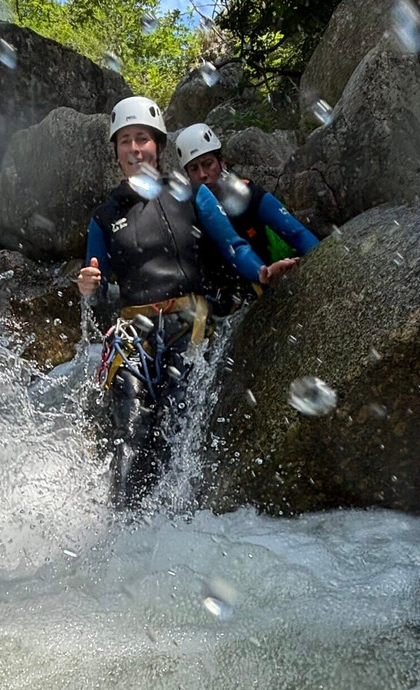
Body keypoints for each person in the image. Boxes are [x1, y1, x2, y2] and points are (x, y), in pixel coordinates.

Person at [77, 96, 295, 509]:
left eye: (142, 138)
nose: (134, 148)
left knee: (179, 411)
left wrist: (260, 272)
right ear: (116, 151)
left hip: (189, 319)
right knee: (131, 422)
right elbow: (98, 282)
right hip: (134, 331)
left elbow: (231, 246)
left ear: (158, 146)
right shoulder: (104, 215)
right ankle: (122, 523)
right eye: (125, 141)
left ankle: (180, 515)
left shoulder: (192, 195)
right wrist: (89, 285)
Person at [174, 122, 319, 311]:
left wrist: (320, 265)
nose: (203, 174)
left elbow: (297, 233)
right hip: (223, 300)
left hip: (264, 283)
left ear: (222, 162)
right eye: (194, 169)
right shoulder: (188, 212)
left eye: (207, 164)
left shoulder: (248, 194)